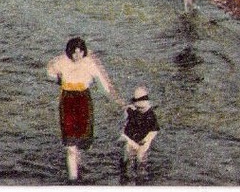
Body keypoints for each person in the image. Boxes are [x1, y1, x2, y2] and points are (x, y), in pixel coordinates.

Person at [46, 37, 120, 181]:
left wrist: (116, 101)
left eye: (80, 52)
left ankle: (77, 168)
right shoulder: (61, 62)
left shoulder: (89, 63)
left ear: (84, 52)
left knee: (81, 142)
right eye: (74, 52)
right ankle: (73, 179)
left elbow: (103, 84)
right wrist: (58, 79)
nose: (77, 56)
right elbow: (48, 72)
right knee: (70, 145)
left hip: (84, 102)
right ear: (69, 52)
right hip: (67, 101)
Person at [120, 87, 160, 181]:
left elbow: (154, 131)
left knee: (140, 156)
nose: (139, 108)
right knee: (127, 154)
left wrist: (146, 141)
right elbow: (123, 132)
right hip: (130, 138)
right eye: (137, 106)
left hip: (143, 139)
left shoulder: (150, 115)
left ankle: (141, 176)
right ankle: (127, 176)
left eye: (142, 107)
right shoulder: (131, 111)